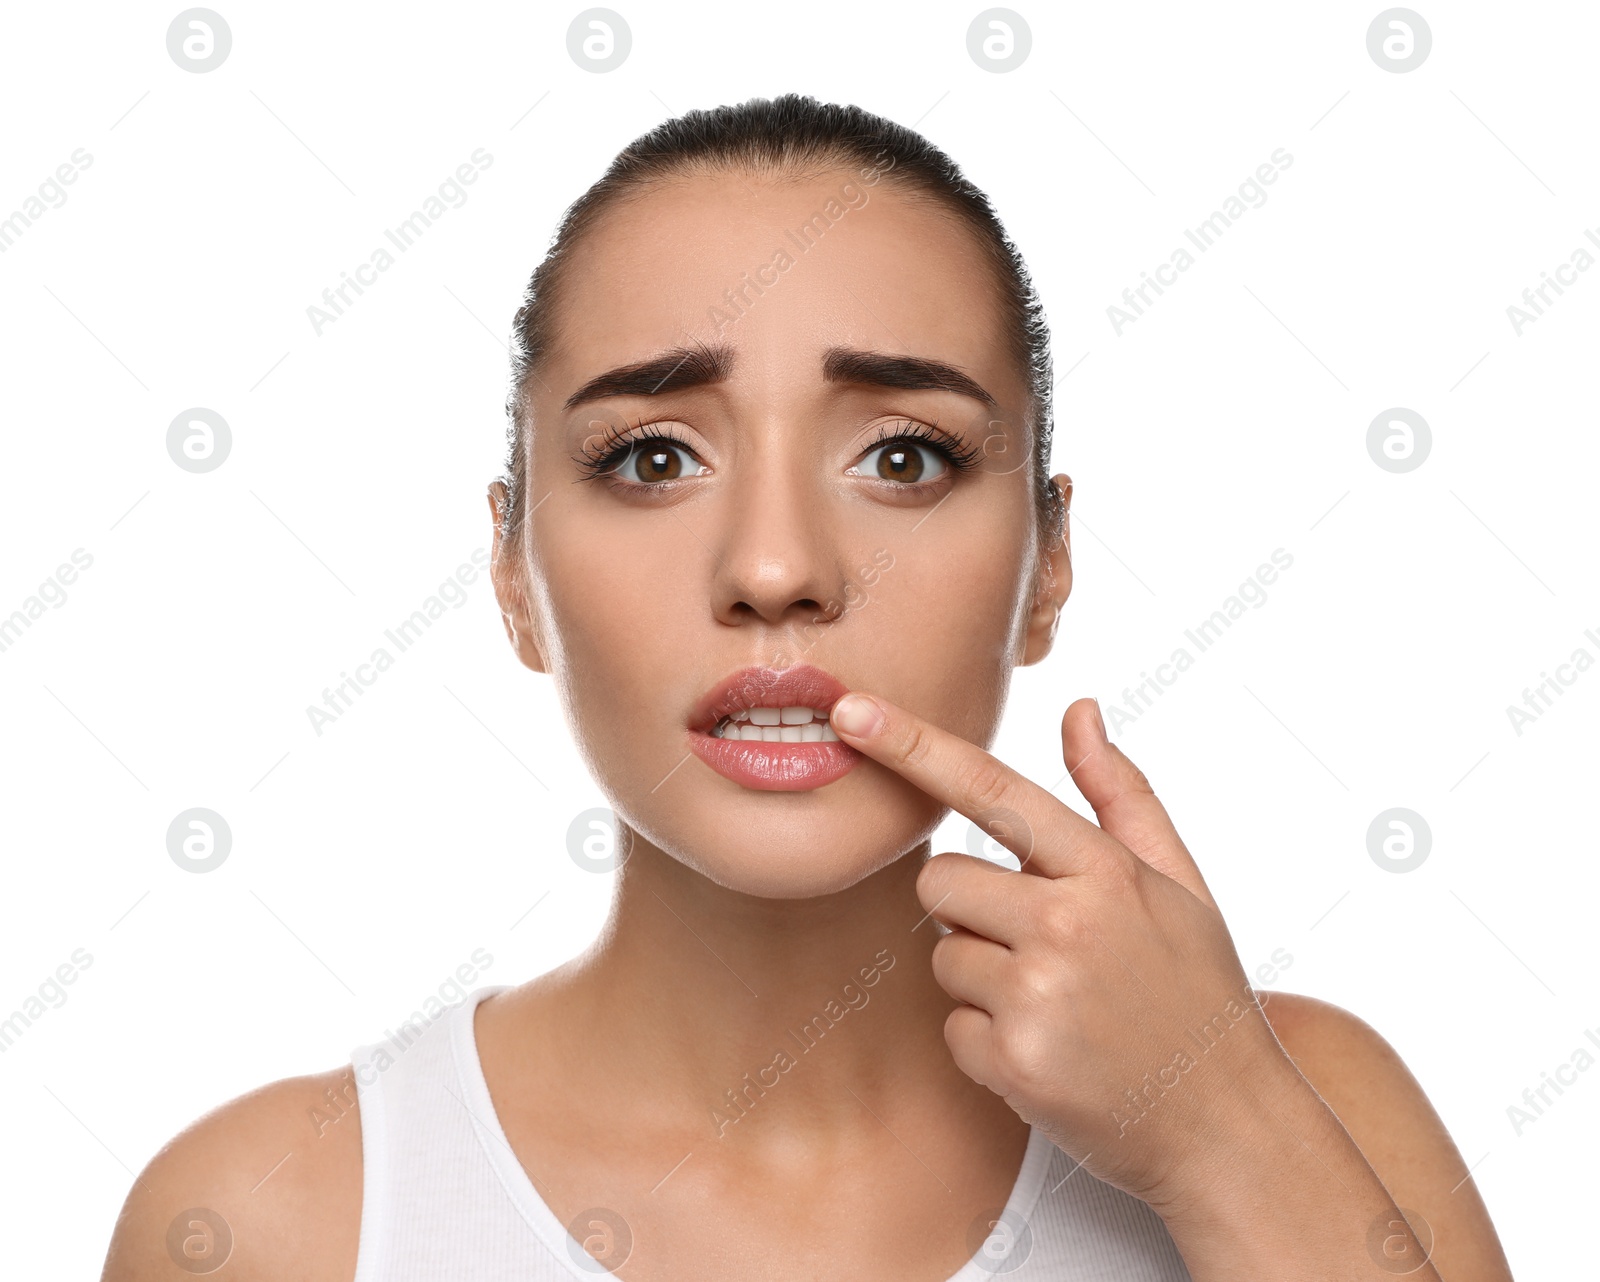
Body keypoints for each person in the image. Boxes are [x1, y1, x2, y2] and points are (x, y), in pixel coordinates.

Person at [101, 93, 1513, 1281]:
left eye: (904, 455)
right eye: (653, 456)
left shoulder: (1308, 1109)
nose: (776, 567)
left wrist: (1217, 1129)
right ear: (515, 570)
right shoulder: (279, 1220)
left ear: (1048, 567)